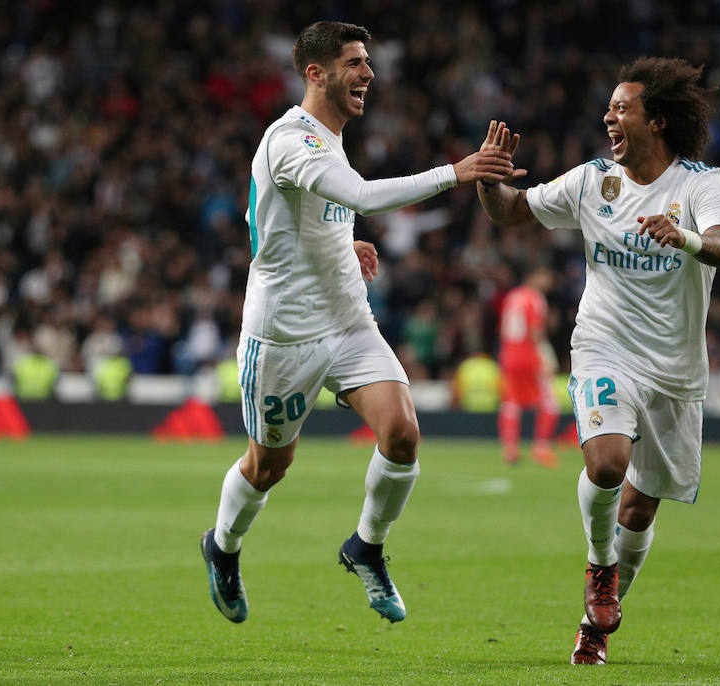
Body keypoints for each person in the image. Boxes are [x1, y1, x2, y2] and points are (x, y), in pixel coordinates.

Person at [199, 21, 515, 626]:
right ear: (316, 74)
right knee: (269, 467)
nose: (368, 72)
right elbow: (362, 195)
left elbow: (295, 215)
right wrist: (459, 170)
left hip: (346, 321)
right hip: (284, 337)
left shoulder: (326, 138)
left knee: (401, 433)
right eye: (354, 62)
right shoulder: (291, 140)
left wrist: (345, 245)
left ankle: (366, 546)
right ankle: (223, 545)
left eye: (368, 61)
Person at [475, 57, 720, 664]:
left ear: (659, 121)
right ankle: (600, 568)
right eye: (610, 107)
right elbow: (512, 210)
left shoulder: (701, 184)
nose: (608, 116)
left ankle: (593, 625)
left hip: (675, 370)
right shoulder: (594, 180)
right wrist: (490, 182)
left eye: (622, 108)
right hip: (604, 345)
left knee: (642, 505)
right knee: (606, 463)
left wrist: (687, 238)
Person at [497, 265, 561, 467]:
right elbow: (535, 330)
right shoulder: (535, 298)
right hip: (530, 357)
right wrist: (545, 355)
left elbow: (503, 330)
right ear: (534, 276)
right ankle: (541, 448)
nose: (549, 281)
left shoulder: (512, 297)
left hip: (509, 355)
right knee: (550, 402)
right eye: (546, 275)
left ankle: (510, 449)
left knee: (511, 403)